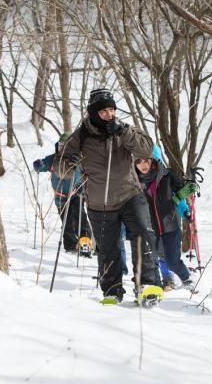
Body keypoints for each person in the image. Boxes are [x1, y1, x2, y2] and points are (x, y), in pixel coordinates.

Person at [54, 88, 161, 303]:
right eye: (103, 111)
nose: (109, 115)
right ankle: (112, 291)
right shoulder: (81, 136)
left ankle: (147, 285)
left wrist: (123, 132)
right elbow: (60, 166)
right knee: (107, 250)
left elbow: (146, 149)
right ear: (93, 113)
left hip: (130, 195)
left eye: (112, 110)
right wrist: (69, 163)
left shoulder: (123, 129)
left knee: (142, 234)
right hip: (98, 202)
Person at [134, 146, 197, 292]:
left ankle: (187, 278)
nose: (144, 165)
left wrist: (186, 210)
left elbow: (179, 194)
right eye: (139, 161)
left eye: (147, 161)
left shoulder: (168, 176)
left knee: (172, 260)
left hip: (170, 225)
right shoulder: (136, 181)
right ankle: (167, 280)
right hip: (151, 227)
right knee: (159, 255)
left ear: (155, 161)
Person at [33, 133, 93, 256]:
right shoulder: (54, 159)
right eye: (61, 145)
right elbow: (42, 165)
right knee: (67, 220)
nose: (63, 148)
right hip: (60, 196)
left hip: (76, 193)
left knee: (80, 217)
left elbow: (88, 172)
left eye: (67, 146)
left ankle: (85, 244)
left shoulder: (78, 158)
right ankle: (70, 245)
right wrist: (38, 164)